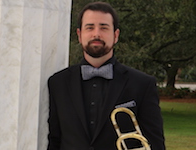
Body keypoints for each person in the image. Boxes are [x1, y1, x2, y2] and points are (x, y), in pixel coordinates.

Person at [47, 1, 165, 150]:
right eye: (89, 27)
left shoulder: (142, 84)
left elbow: (155, 144)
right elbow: (54, 140)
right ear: (79, 35)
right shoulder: (58, 83)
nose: (96, 34)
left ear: (115, 35)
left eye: (104, 27)